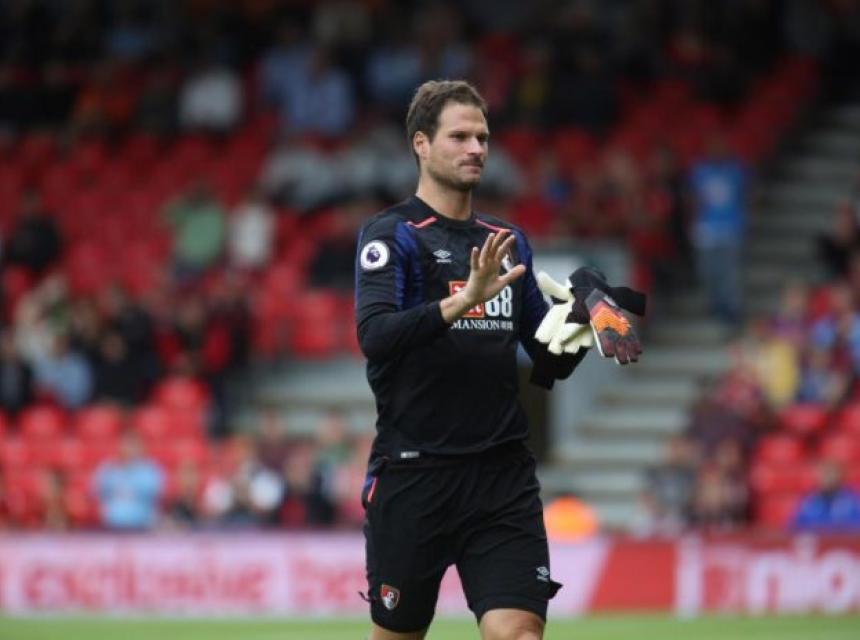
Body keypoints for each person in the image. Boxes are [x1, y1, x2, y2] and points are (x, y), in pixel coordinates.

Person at [354, 80, 640, 640]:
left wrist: (580, 321)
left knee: (519, 634)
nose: (476, 148)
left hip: (501, 478)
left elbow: (547, 362)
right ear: (421, 144)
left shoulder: (506, 240)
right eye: (459, 136)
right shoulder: (394, 235)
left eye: (482, 137)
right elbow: (376, 335)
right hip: (414, 474)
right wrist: (463, 300)